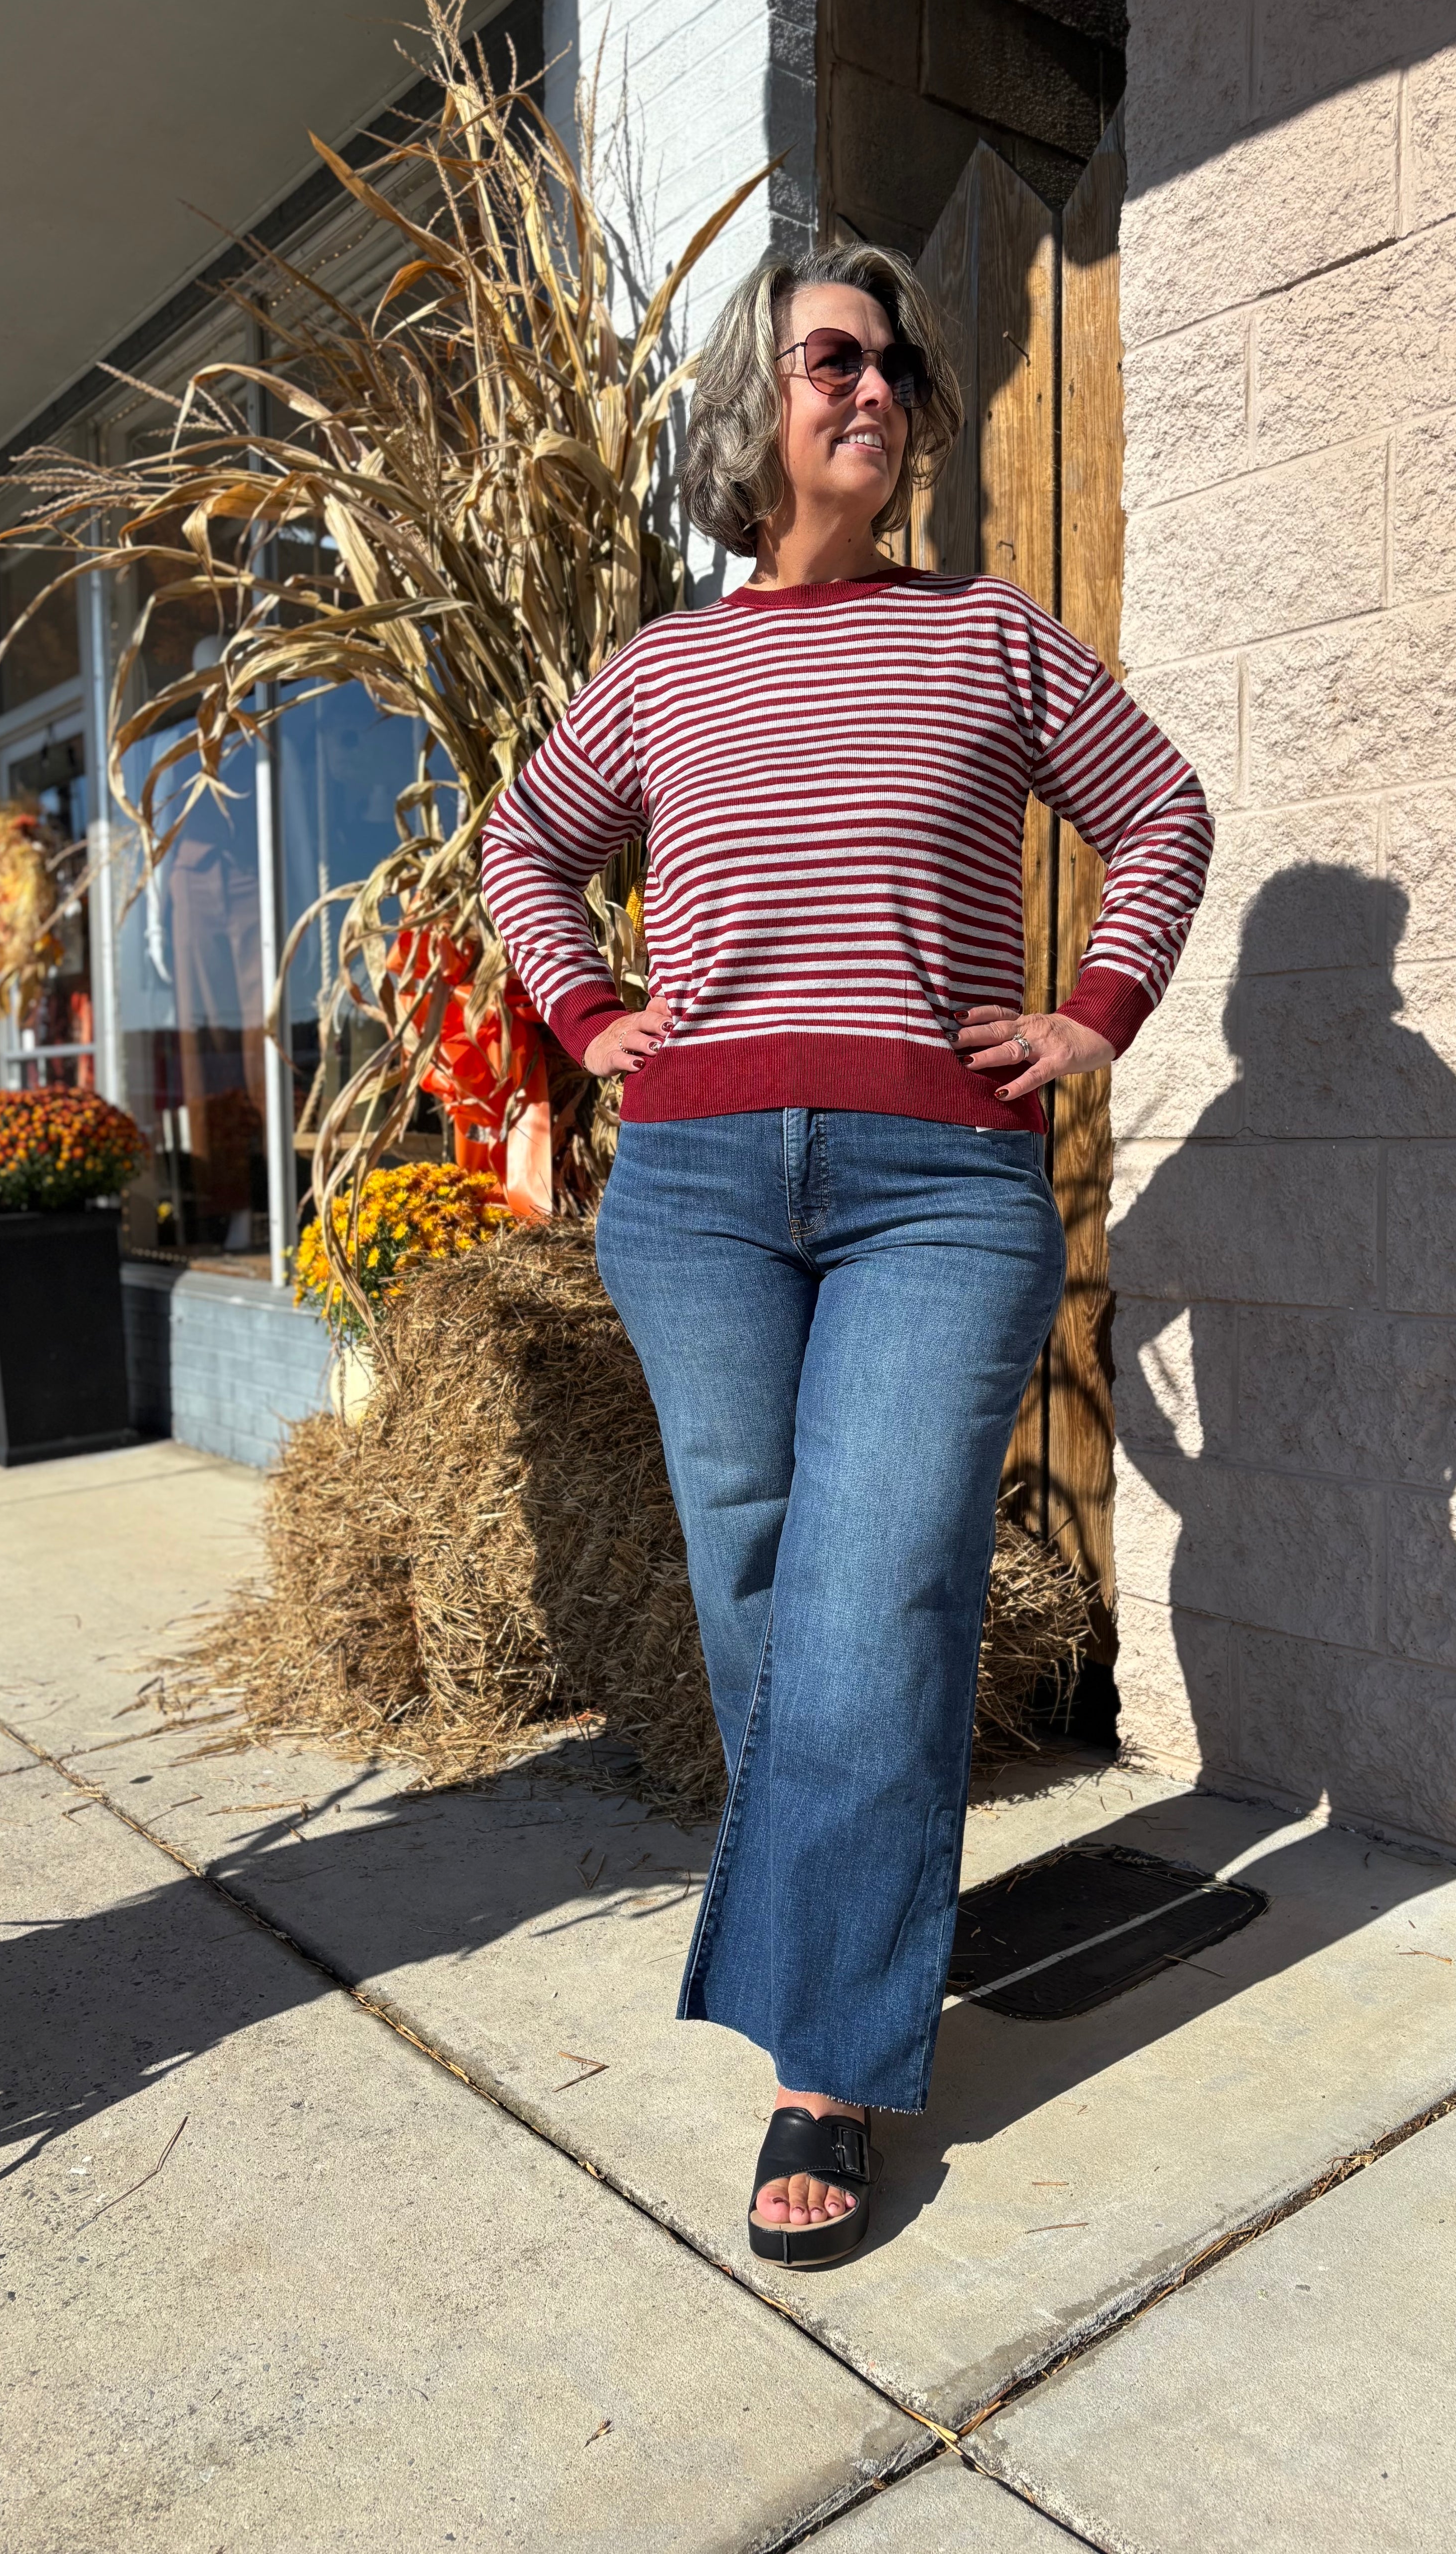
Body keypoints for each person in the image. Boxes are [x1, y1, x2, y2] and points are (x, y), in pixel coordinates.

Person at [481, 242, 1211, 2267]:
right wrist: (587, 1014)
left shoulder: (988, 635)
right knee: (753, 1581)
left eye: (894, 363)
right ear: (757, 401)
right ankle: (851, 1967)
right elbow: (524, 845)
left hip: (938, 1189)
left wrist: (1095, 1010)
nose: (873, 386)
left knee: (876, 1587)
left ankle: (828, 2062)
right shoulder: (665, 668)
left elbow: (1160, 813)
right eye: (832, 357)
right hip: (698, 1189)